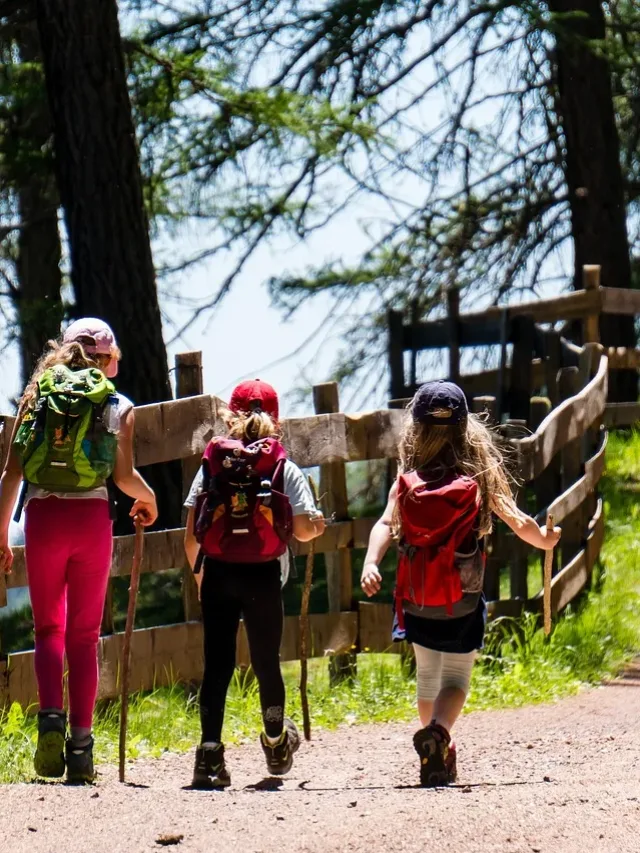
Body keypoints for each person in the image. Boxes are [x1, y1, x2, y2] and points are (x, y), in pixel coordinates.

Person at [360, 380, 560, 787]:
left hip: (416, 598)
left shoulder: (408, 476)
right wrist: (543, 539)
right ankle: (438, 734)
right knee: (456, 680)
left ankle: (436, 748)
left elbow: (385, 523)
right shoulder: (477, 473)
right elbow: (515, 518)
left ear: (414, 429)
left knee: (427, 677)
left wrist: (370, 561)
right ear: (466, 427)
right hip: (463, 598)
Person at [0, 318, 157, 783]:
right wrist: (148, 499)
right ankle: (82, 748)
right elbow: (124, 477)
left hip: (43, 518)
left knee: (48, 628)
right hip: (91, 521)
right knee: (84, 636)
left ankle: (49, 720)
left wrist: (1, 535)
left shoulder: (35, 399)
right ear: (108, 361)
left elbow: (11, 474)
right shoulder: (118, 404)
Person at [184, 379, 325, 789]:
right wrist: (316, 526)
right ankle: (277, 743)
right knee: (266, 663)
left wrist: (199, 577)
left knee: (217, 666)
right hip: (263, 574)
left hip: (219, 572)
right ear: (276, 420)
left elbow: (192, 532)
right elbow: (300, 530)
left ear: (230, 416)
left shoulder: (213, 465)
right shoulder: (283, 466)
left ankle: (209, 756)